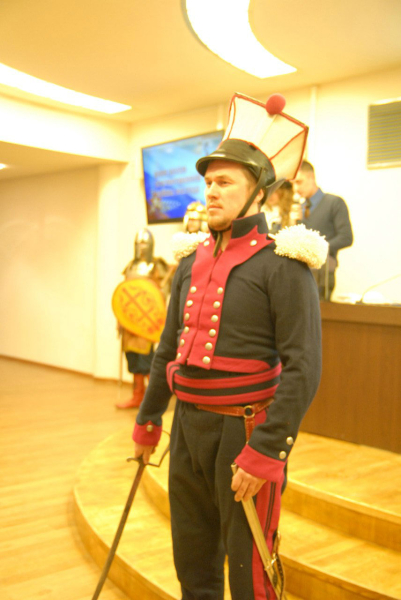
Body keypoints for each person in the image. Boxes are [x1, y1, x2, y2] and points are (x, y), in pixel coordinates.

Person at [133, 93, 324, 600]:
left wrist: (267, 450)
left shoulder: (285, 265)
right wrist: (149, 420)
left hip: (245, 432)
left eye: (224, 182)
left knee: (248, 575)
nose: (211, 192)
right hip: (187, 428)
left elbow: (304, 367)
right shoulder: (190, 262)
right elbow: (167, 351)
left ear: (258, 193)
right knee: (192, 563)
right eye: (208, 183)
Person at [113, 228, 171, 409]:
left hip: (147, 322)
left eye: (145, 243)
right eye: (139, 244)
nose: (142, 247)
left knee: (147, 361)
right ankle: (137, 396)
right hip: (129, 320)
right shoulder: (130, 266)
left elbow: (161, 294)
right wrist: (120, 319)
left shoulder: (157, 266)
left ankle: (154, 399)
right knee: (133, 359)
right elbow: (124, 294)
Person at [293, 160, 353, 300]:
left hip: (323, 273)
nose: (296, 188)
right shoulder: (299, 209)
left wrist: (318, 248)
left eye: (299, 182)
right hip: (299, 273)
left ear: (311, 177)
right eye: (293, 184)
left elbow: (346, 237)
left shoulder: (334, 203)